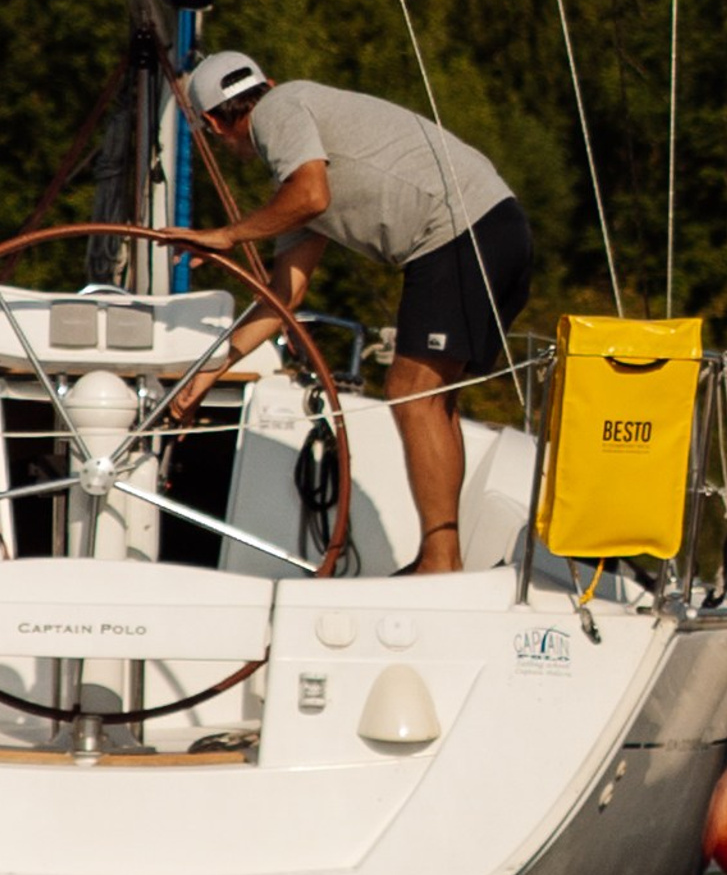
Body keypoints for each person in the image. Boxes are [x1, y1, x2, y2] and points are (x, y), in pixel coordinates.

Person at [171, 52, 534, 576]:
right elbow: (282, 299)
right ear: (261, 81)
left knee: (412, 390)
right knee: (431, 398)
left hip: (462, 230)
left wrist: (226, 235)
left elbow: (311, 196)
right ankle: (443, 559)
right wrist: (204, 376)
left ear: (213, 124)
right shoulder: (295, 177)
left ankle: (440, 561)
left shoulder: (282, 111)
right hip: (495, 228)